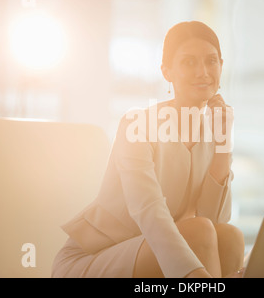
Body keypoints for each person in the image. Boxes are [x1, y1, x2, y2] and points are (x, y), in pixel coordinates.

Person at [51, 21, 245, 278]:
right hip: (95, 258)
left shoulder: (213, 131)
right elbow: (149, 212)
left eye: (211, 61)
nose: (203, 72)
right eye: (189, 62)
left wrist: (223, 144)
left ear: (221, 65)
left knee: (229, 236)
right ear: (167, 71)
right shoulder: (138, 125)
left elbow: (214, 220)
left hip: (157, 254)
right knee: (198, 233)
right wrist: (195, 275)